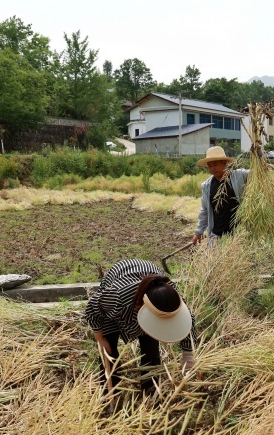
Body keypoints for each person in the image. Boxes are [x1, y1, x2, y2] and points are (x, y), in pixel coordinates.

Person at [85, 258, 198, 394]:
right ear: (141, 309)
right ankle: (109, 393)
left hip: (146, 296)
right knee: (109, 353)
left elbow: (187, 321)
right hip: (117, 295)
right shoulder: (117, 297)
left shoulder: (171, 296)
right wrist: (100, 339)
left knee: (151, 352)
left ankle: (150, 392)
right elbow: (92, 308)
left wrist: (188, 353)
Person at [191, 146, 250, 246]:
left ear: (224, 162)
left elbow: (254, 173)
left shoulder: (238, 176)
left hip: (238, 234)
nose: (212, 169)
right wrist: (198, 232)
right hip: (217, 234)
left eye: (215, 165)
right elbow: (204, 211)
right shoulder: (207, 186)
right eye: (210, 166)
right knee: (213, 255)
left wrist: (263, 167)